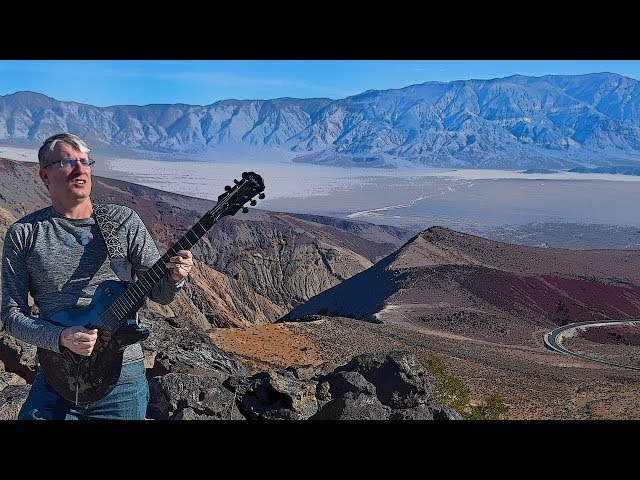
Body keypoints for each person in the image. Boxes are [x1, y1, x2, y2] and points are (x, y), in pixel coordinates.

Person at [0, 132, 194, 420]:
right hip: (56, 378)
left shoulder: (122, 222)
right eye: (68, 162)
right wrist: (61, 337)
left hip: (122, 382)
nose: (80, 169)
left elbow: (161, 294)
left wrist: (176, 277)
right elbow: (11, 315)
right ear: (44, 175)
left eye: (85, 161)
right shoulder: (25, 234)